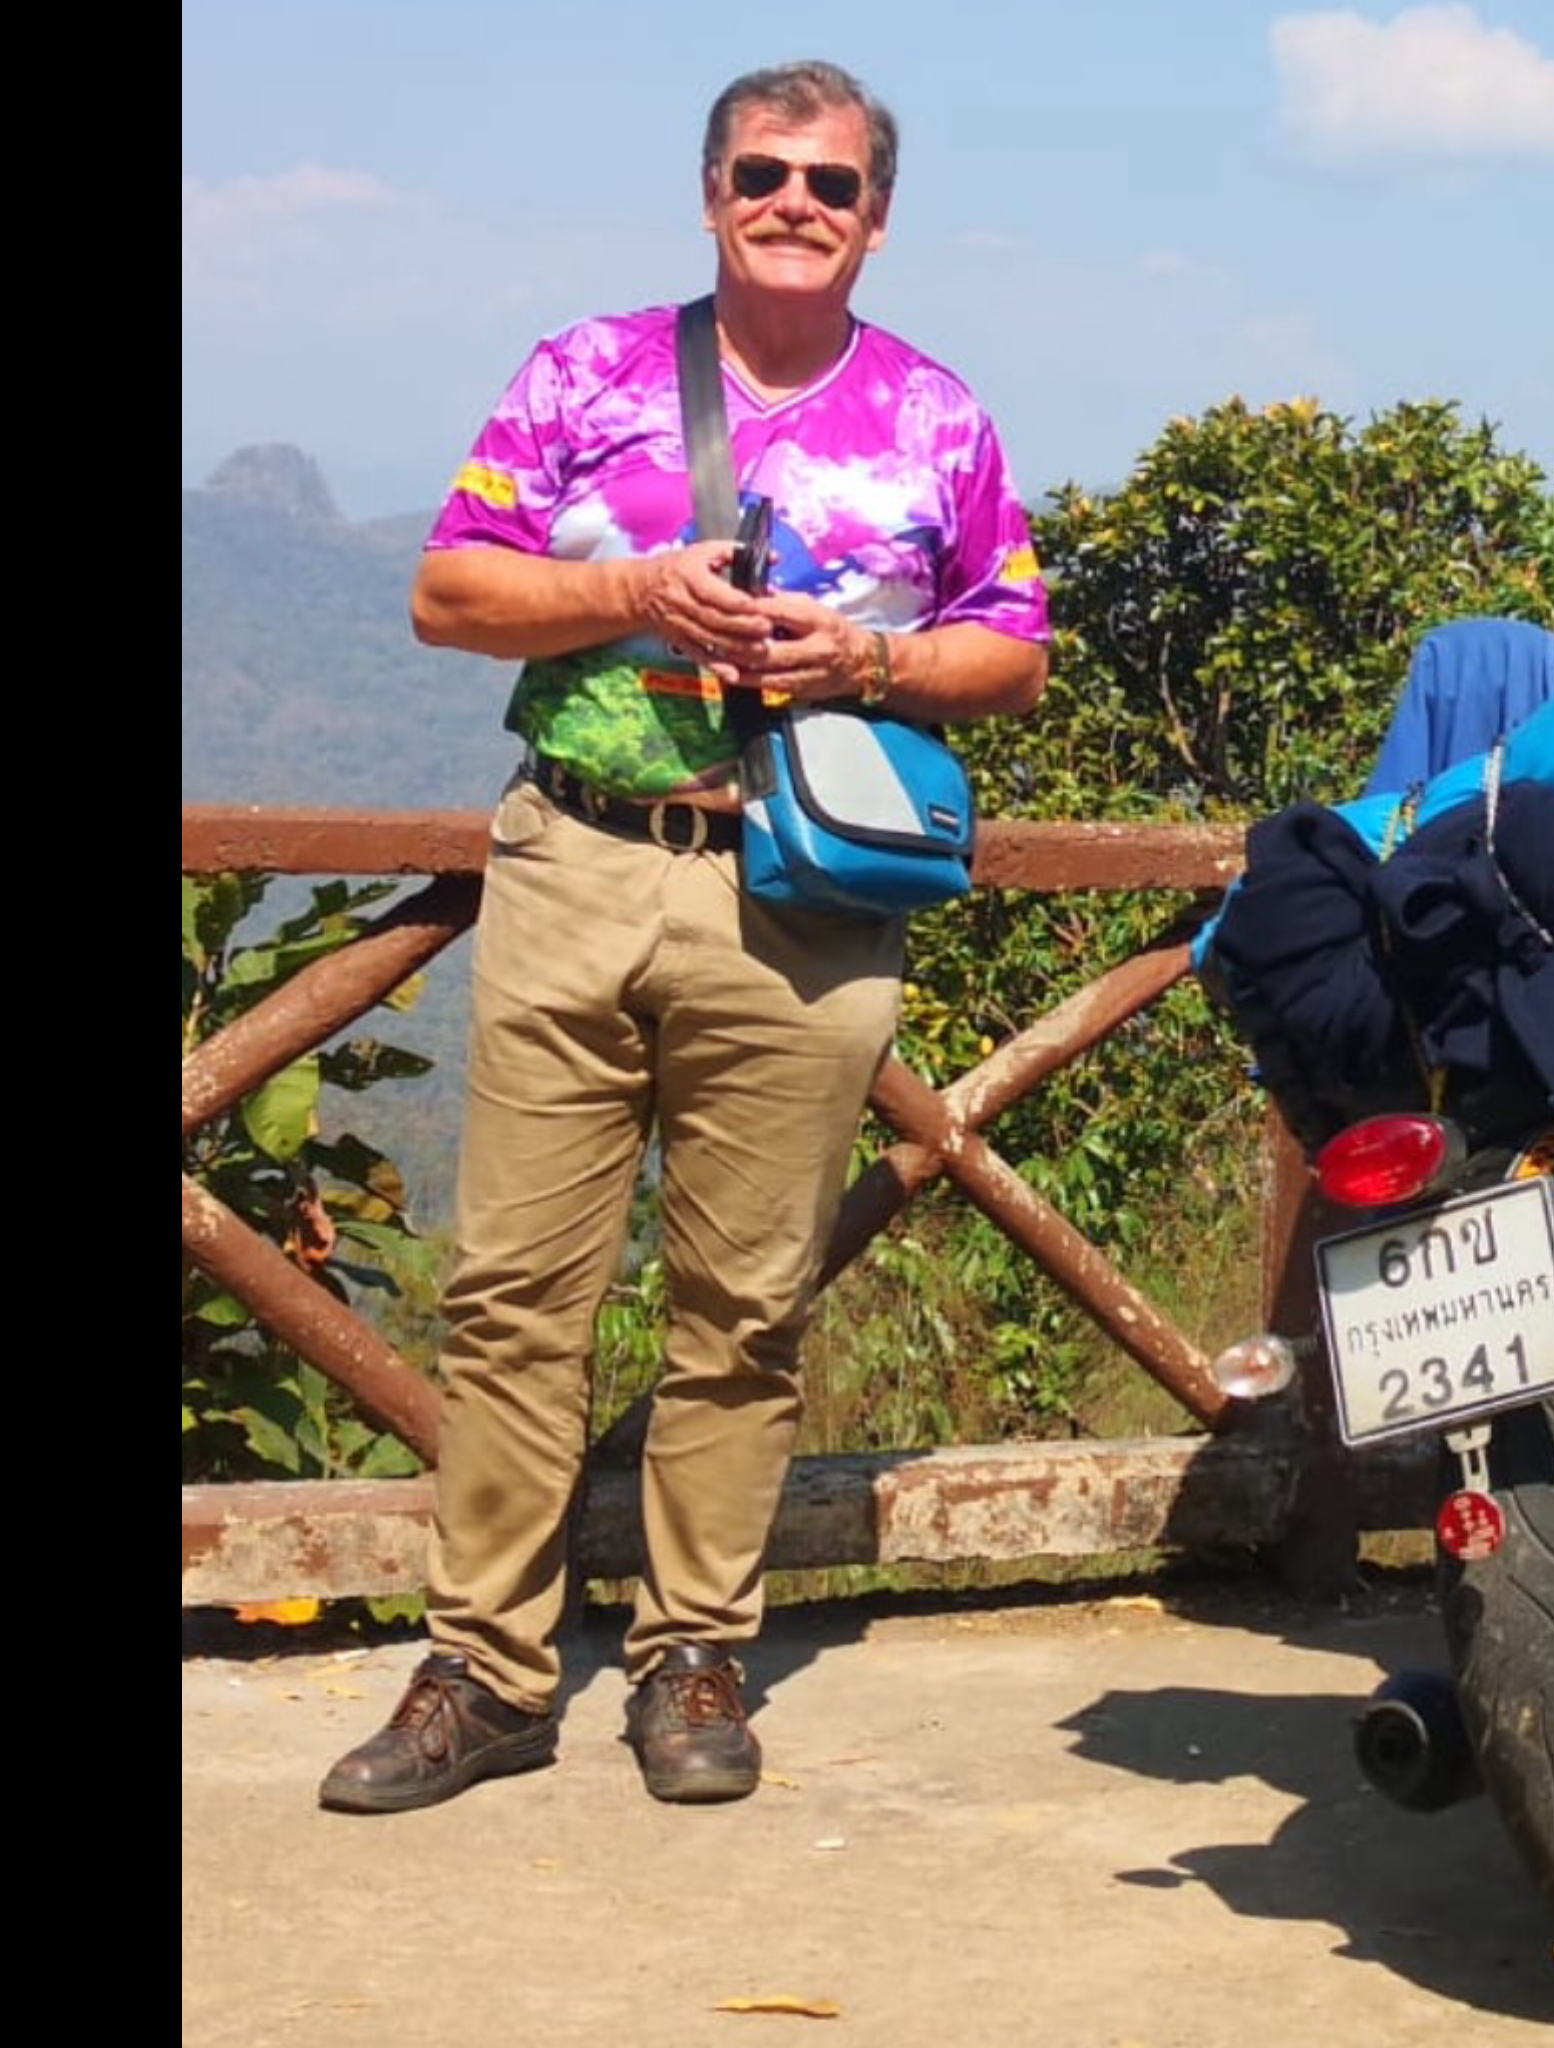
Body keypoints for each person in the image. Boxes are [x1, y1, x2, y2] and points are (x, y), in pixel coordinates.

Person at [321, 60, 1050, 1814]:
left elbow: (1013, 648)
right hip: (575, 859)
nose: (796, 203)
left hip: (807, 893)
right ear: (711, 192)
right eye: (763, 173)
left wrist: (866, 658)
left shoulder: (937, 417)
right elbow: (446, 589)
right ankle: (487, 1671)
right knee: (515, 1297)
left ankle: (692, 1656)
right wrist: (634, 591)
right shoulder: (585, 373)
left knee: (745, 1305)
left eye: (832, 182)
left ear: (879, 215)